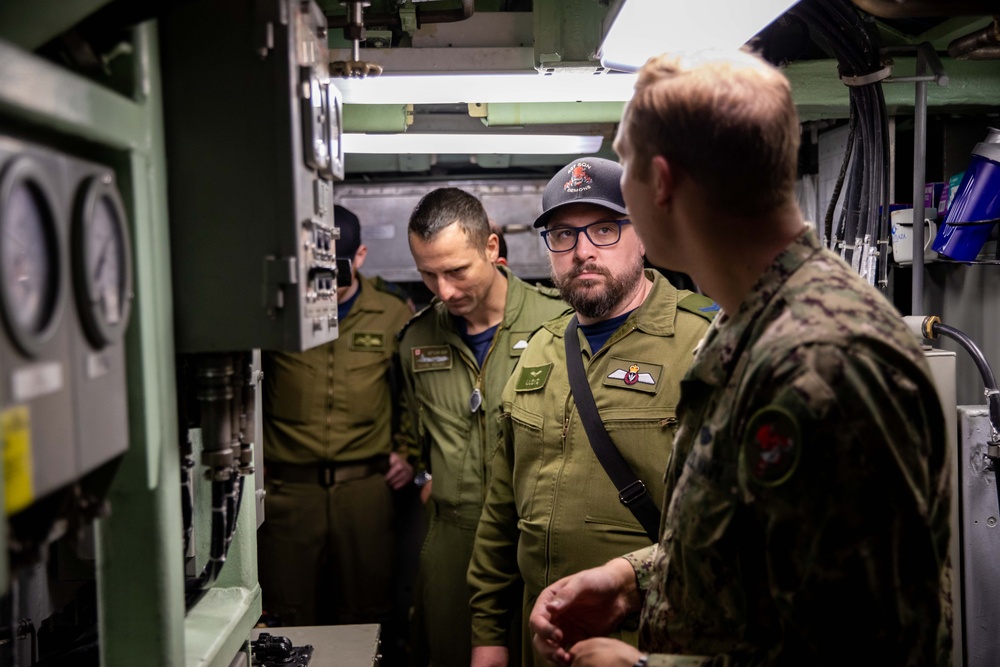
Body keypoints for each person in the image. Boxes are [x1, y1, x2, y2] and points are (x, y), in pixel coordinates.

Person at [529, 50, 951, 666]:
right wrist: (633, 580)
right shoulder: (747, 323)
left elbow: (863, 646)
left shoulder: (821, 363)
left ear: (664, 183)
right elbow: (765, 548)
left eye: (627, 170)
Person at [467, 157, 715, 667]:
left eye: (604, 229)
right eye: (563, 235)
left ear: (643, 235)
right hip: (545, 644)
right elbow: (500, 513)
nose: (582, 252)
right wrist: (488, 636)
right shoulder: (539, 349)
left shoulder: (703, 344)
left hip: (653, 648)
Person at [399, 187, 571, 667]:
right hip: (452, 543)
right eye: (427, 274)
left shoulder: (557, 325)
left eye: (457, 271)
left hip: (536, 541)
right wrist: (426, 481)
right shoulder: (415, 341)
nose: (444, 291)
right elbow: (414, 433)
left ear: (492, 249)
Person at [257, 204, 416, 633]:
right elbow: (248, 390)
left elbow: (413, 393)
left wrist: (408, 451)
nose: (325, 282)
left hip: (364, 492)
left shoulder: (391, 314)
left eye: (337, 268)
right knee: (285, 617)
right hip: (288, 493)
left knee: (366, 617)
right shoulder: (274, 312)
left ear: (360, 256)